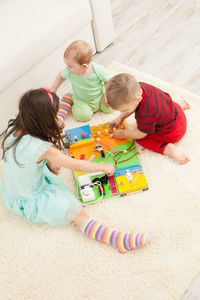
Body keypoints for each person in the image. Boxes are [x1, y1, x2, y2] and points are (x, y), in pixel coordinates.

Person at [0, 88, 151, 253]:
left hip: (10, 188)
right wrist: (103, 166)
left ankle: (49, 162)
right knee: (75, 210)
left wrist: (49, 162)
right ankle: (117, 240)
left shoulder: (14, 122)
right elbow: (76, 165)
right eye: (54, 115)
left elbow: (29, 152)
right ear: (44, 120)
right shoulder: (42, 148)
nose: (56, 119)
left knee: (51, 164)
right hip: (29, 199)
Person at [105, 73, 191, 164]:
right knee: (164, 103)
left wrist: (124, 134)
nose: (122, 112)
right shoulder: (140, 87)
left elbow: (141, 134)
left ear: (137, 99)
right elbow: (133, 105)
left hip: (173, 132)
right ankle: (180, 105)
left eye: (125, 110)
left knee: (141, 139)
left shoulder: (145, 114)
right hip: (177, 113)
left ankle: (167, 149)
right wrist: (121, 117)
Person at [51, 40, 113, 122]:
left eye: (70, 66)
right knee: (83, 117)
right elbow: (60, 76)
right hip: (82, 100)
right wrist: (54, 88)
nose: (67, 68)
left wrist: (107, 95)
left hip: (99, 97)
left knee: (110, 108)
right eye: (67, 65)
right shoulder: (70, 71)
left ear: (84, 67)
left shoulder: (98, 70)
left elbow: (108, 81)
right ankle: (71, 101)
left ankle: (104, 103)